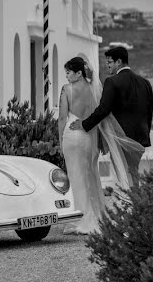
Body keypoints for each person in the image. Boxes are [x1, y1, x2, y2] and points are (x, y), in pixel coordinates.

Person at [70, 46, 153, 191]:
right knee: (133, 173)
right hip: (140, 138)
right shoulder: (145, 82)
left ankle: (132, 205)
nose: (107, 66)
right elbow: (149, 112)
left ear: (119, 62)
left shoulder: (112, 82)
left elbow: (103, 110)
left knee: (125, 175)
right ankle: (137, 205)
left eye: (109, 62)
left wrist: (84, 124)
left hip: (121, 138)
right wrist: (145, 133)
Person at [58, 56, 106, 234]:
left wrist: (59, 139)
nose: (67, 76)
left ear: (79, 73)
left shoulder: (67, 90)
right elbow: (99, 115)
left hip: (72, 135)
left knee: (76, 176)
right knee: (90, 175)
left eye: (69, 72)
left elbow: (62, 117)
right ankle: (96, 216)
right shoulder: (94, 89)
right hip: (88, 136)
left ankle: (82, 219)